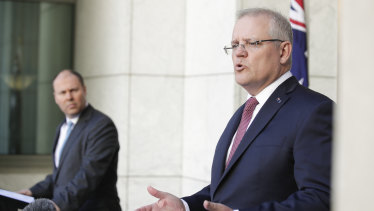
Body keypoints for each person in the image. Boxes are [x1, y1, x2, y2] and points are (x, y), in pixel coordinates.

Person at [135, 8, 333, 211]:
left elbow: (320, 198)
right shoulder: (247, 111)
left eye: (252, 43)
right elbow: (229, 190)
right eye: (235, 45)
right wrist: (185, 206)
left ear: (283, 51)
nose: (239, 52)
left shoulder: (314, 111)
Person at [18, 69, 121, 211]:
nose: (69, 97)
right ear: (55, 97)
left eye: (74, 90)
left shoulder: (102, 126)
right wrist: (31, 192)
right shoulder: (63, 127)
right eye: (62, 92)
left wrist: (57, 205)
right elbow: (61, 175)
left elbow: (89, 175)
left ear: (84, 90)